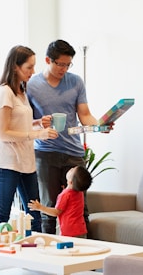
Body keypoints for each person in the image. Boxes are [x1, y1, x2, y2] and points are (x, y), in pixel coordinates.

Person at [27, 39, 100, 235]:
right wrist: (39, 123)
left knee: (80, 209)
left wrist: (99, 126)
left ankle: (85, 258)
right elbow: (26, 119)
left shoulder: (75, 81)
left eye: (68, 65)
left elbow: (84, 114)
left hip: (74, 153)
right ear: (47, 60)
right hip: (45, 152)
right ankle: (49, 260)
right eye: (60, 64)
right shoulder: (32, 85)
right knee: (48, 209)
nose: (64, 69)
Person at [0, 44, 58, 244]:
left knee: (34, 213)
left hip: (26, 162)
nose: (33, 71)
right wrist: (36, 134)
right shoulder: (5, 92)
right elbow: (3, 133)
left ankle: (38, 261)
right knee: (2, 214)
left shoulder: (21, 91)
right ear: (15, 67)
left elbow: (17, 123)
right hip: (8, 163)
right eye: (29, 67)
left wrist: (38, 122)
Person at [28, 165, 92, 238]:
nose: (71, 168)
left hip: (69, 233)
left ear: (70, 182)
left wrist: (40, 207)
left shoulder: (64, 195)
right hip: (81, 230)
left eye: (72, 170)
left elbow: (56, 212)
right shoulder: (80, 193)